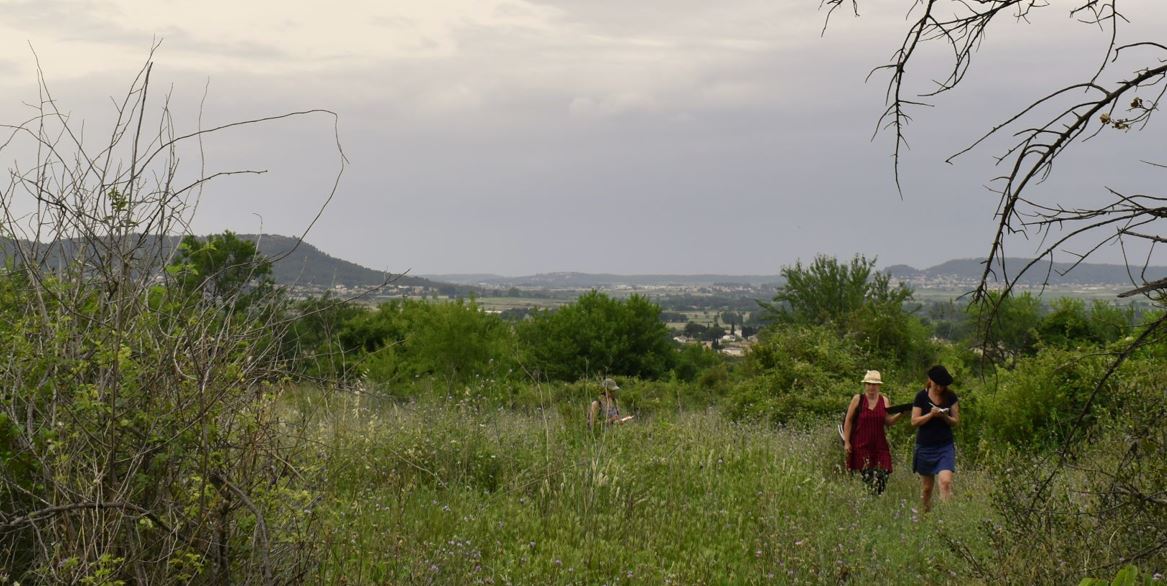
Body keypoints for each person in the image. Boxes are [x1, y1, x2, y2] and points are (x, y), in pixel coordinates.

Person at [843, 370, 905, 494]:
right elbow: (848, 421)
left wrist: (901, 414)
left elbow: (888, 421)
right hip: (862, 445)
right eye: (869, 384)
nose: (872, 387)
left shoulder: (884, 400)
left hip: (879, 445)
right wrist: (847, 442)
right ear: (865, 385)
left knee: (884, 472)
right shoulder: (858, 399)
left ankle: (876, 496)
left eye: (875, 384)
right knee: (868, 476)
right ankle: (869, 499)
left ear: (879, 386)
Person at [911, 365, 960, 512]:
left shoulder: (951, 396)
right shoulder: (921, 397)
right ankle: (925, 515)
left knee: (945, 482)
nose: (939, 388)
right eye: (937, 384)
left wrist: (944, 416)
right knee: (926, 488)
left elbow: (956, 421)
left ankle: (945, 519)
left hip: (944, 446)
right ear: (930, 381)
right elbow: (914, 421)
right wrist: (931, 415)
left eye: (942, 385)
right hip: (925, 446)